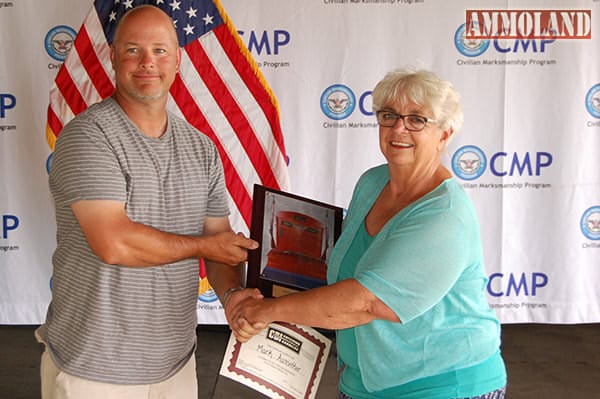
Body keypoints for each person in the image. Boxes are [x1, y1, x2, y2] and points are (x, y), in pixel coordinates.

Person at [232, 68, 507, 399]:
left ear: (445, 134)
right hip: (363, 382)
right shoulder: (373, 182)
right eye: (388, 115)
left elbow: (365, 303)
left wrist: (266, 310)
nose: (398, 128)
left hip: (443, 386)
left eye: (417, 119)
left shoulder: (444, 215)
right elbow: (337, 264)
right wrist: (266, 271)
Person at [35, 5, 261, 399]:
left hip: (175, 365)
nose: (146, 63)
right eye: (132, 50)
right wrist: (206, 247)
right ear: (113, 57)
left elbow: (219, 241)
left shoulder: (202, 149)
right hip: (94, 369)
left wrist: (232, 298)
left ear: (177, 59)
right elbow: (115, 243)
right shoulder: (87, 137)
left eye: (159, 51)